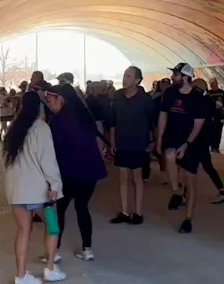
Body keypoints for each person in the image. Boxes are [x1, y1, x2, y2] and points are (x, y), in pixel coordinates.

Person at [2, 91, 67, 284]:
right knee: (52, 225)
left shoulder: (14, 128)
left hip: (16, 189)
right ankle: (50, 268)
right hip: (37, 190)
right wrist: (55, 185)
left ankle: (21, 276)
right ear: (40, 108)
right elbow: (47, 159)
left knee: (23, 230)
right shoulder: (41, 128)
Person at [45, 84, 107, 262]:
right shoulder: (84, 115)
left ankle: (54, 251)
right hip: (91, 171)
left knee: (59, 210)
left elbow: (55, 150)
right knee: (82, 208)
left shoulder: (58, 120)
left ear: (60, 99)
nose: (49, 105)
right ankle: (87, 249)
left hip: (70, 171)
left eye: (50, 101)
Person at [157, 63, 208, 233]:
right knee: (169, 155)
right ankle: (176, 192)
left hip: (192, 140)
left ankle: (188, 219)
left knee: (190, 180)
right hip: (172, 136)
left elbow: (198, 125)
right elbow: (163, 114)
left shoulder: (197, 99)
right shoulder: (170, 93)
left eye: (176, 75)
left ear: (185, 77)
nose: (172, 77)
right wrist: (159, 138)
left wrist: (187, 144)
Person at [110, 66, 157, 224]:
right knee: (122, 177)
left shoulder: (145, 99)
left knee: (137, 177)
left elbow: (154, 122)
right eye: (124, 75)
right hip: (121, 142)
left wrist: (154, 141)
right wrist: (112, 141)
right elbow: (113, 121)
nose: (125, 79)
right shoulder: (118, 96)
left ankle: (138, 212)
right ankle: (124, 211)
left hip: (139, 143)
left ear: (137, 80)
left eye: (129, 76)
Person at [192, 78, 224, 204]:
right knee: (207, 166)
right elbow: (221, 108)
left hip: (196, 138)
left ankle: (184, 196)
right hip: (203, 138)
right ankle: (222, 191)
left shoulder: (194, 100)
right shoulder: (208, 100)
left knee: (190, 168)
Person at [205, 78, 224, 153]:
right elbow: (205, 105)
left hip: (220, 115)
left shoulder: (221, 92)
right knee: (211, 131)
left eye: (217, 83)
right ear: (211, 85)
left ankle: (216, 147)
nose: (216, 84)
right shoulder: (208, 93)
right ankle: (212, 146)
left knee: (218, 131)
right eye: (215, 83)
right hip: (211, 115)